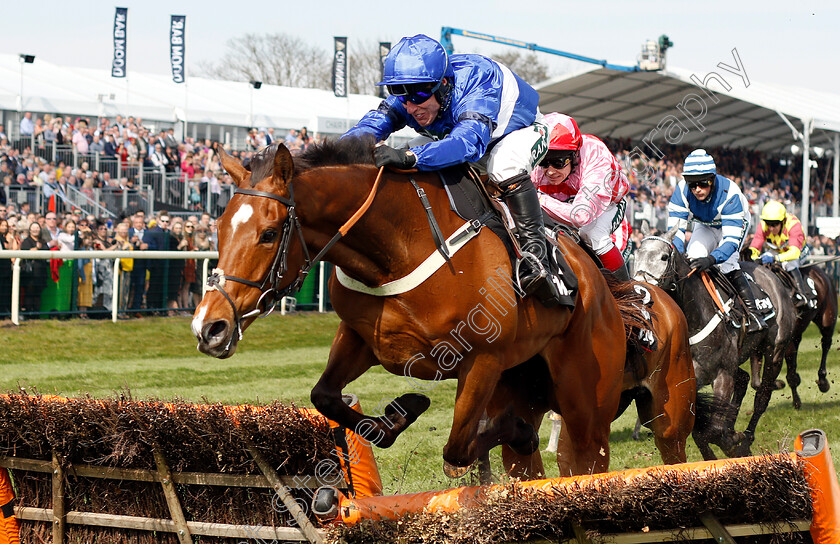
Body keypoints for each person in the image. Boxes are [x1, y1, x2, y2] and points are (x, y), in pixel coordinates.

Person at [343, 34, 561, 306]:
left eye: (420, 95)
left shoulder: (478, 80)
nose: (411, 106)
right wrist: (328, 155)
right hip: (460, 136)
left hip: (516, 133)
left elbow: (467, 144)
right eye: (400, 94)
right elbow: (371, 127)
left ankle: (536, 259)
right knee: (405, 157)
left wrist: (409, 157)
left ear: (444, 84)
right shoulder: (413, 89)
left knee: (503, 165)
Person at [667, 149, 766, 332]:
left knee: (726, 263)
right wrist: (679, 253)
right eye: (692, 184)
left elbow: (730, 242)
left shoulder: (731, 194)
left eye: (703, 183)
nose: (697, 189)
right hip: (705, 224)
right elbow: (676, 232)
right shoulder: (681, 191)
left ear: (712, 179)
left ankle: (754, 315)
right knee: (693, 259)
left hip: (734, 224)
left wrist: (711, 259)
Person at [530, 113, 631, 280]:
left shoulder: (596, 156)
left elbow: (581, 216)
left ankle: (626, 293)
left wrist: (538, 199)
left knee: (592, 234)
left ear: (574, 155)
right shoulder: (538, 161)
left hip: (606, 205)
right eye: (544, 161)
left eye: (558, 162)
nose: (550, 171)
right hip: (562, 200)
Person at [749, 200, 815, 308]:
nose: (771, 228)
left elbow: (794, 253)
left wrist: (776, 258)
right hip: (778, 250)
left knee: (789, 264)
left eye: (774, 224)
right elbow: (755, 247)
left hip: (798, 251)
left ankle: (802, 295)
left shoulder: (794, 225)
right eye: (768, 223)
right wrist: (754, 258)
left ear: (783, 221)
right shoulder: (762, 226)